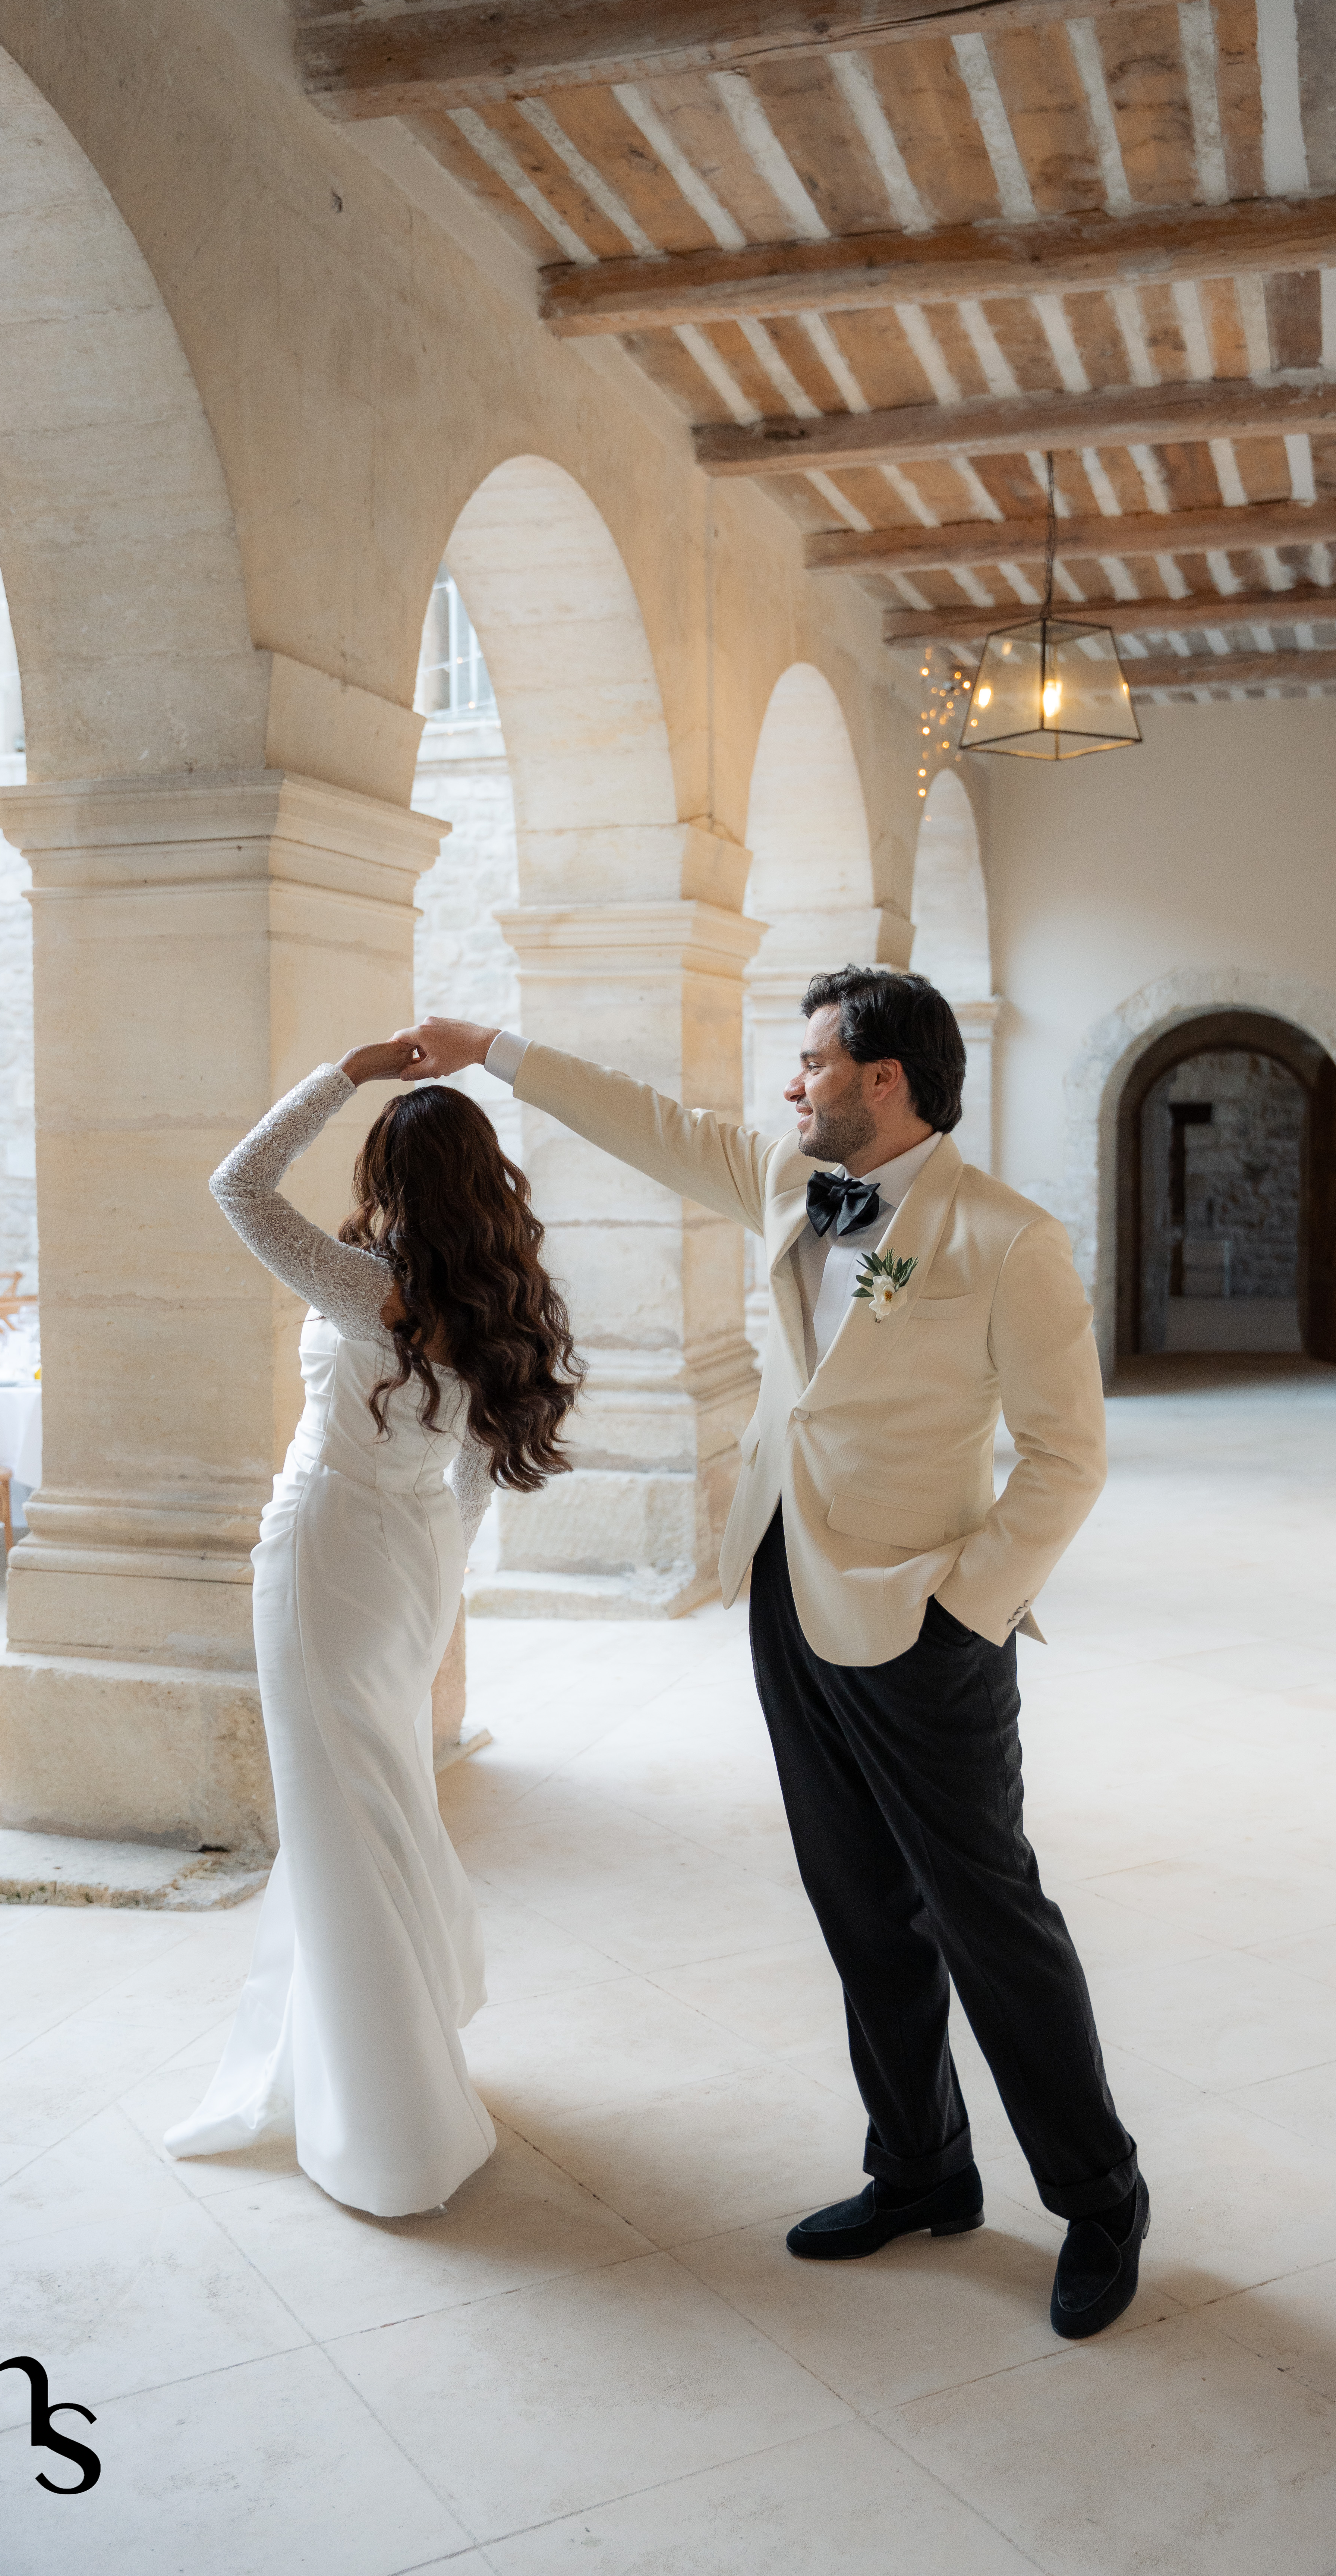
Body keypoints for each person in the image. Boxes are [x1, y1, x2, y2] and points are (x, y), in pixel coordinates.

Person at [386, 970, 1147, 2338]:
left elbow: (1068, 1459)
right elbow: (643, 1122)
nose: (792, 1086)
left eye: (812, 1064)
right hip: (786, 1600)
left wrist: (964, 1611)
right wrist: (492, 1049)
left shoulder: (1005, 1239)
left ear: (886, 1080)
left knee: (994, 1926)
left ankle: (1101, 2200)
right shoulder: (790, 1185)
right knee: (862, 1914)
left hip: (927, 1631)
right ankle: (920, 2168)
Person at [164, 1048, 580, 2216]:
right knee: (380, 1789)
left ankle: (389, 2119)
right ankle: (375, 2055)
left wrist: (341, 1073)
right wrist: (433, 1581)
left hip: (326, 1554)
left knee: (337, 1812)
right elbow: (478, 1481)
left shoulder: (369, 1290)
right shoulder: (497, 1296)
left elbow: (238, 1187)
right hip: (407, 1560)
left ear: (389, 1171)